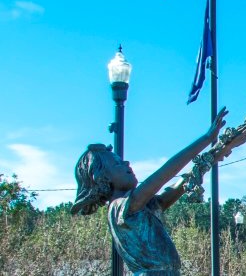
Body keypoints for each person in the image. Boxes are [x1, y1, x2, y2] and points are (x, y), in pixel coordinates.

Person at [70, 108, 228, 275]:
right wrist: (206, 139)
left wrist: (217, 153)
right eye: (117, 164)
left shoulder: (143, 207)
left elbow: (180, 184)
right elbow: (163, 175)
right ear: (102, 178)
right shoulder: (119, 207)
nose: (127, 163)